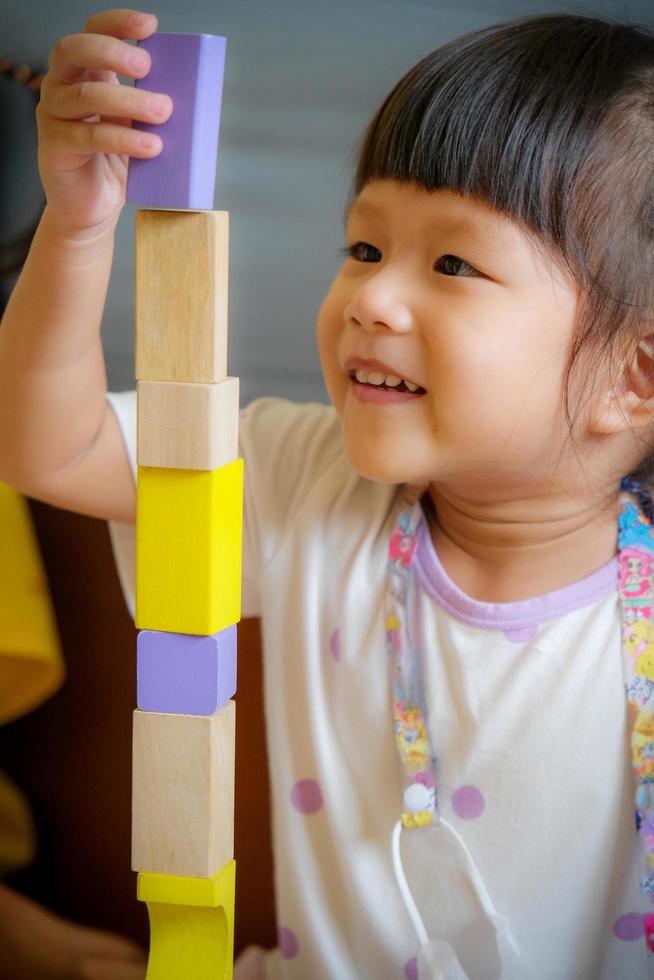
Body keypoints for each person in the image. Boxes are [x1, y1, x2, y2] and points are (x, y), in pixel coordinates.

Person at [1, 6, 654, 978]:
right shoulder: (304, 479)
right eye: (362, 247)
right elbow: (47, 445)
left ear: (632, 379)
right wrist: (78, 221)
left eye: (452, 263)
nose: (372, 299)